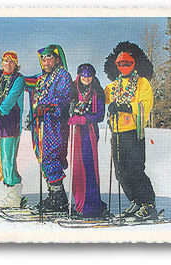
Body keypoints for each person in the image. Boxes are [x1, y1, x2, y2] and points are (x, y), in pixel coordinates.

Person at [104, 41, 157, 220]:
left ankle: (148, 204)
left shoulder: (142, 83)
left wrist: (126, 106)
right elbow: (98, 97)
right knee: (120, 171)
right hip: (117, 133)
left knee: (135, 169)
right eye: (120, 64)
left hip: (134, 132)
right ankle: (136, 200)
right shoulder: (113, 86)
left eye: (127, 63)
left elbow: (146, 105)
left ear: (135, 64)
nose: (123, 66)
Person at [25, 44, 72, 212]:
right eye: (43, 58)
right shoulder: (41, 78)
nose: (45, 61)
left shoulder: (62, 75)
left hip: (55, 123)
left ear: (57, 59)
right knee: (44, 158)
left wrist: (51, 106)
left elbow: (64, 96)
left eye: (49, 57)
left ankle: (59, 200)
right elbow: (24, 82)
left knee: (52, 157)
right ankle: (54, 196)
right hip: (41, 124)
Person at [0, 51, 25, 208]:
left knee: (8, 158)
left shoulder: (18, 79)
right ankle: (9, 191)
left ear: (16, 64)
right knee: (1, 159)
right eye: (6, 61)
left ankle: (14, 191)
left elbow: (12, 97)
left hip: (11, 122)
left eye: (12, 61)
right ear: (2, 62)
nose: (8, 64)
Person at [68, 63, 108, 218]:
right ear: (79, 75)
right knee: (77, 166)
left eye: (89, 75)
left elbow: (99, 115)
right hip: (76, 131)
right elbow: (67, 108)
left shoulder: (96, 91)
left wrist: (85, 119)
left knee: (88, 165)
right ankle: (80, 202)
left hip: (89, 132)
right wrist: (70, 117)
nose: (86, 78)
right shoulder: (73, 89)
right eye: (83, 75)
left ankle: (92, 204)